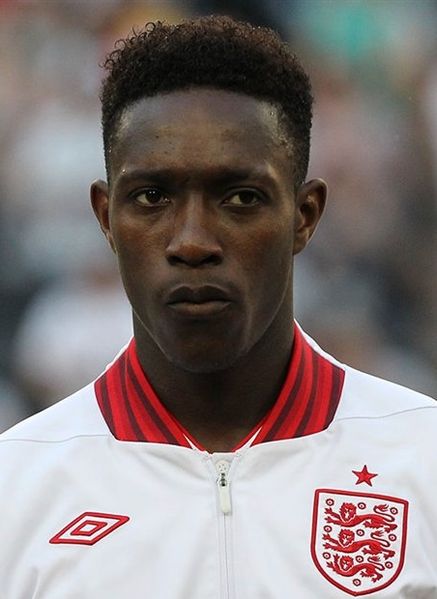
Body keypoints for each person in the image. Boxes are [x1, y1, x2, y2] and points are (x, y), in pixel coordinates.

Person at [1, 15, 436, 598]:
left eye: (240, 197)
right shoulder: (16, 488)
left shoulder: (421, 457)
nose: (192, 242)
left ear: (304, 216)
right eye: (152, 196)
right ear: (106, 217)